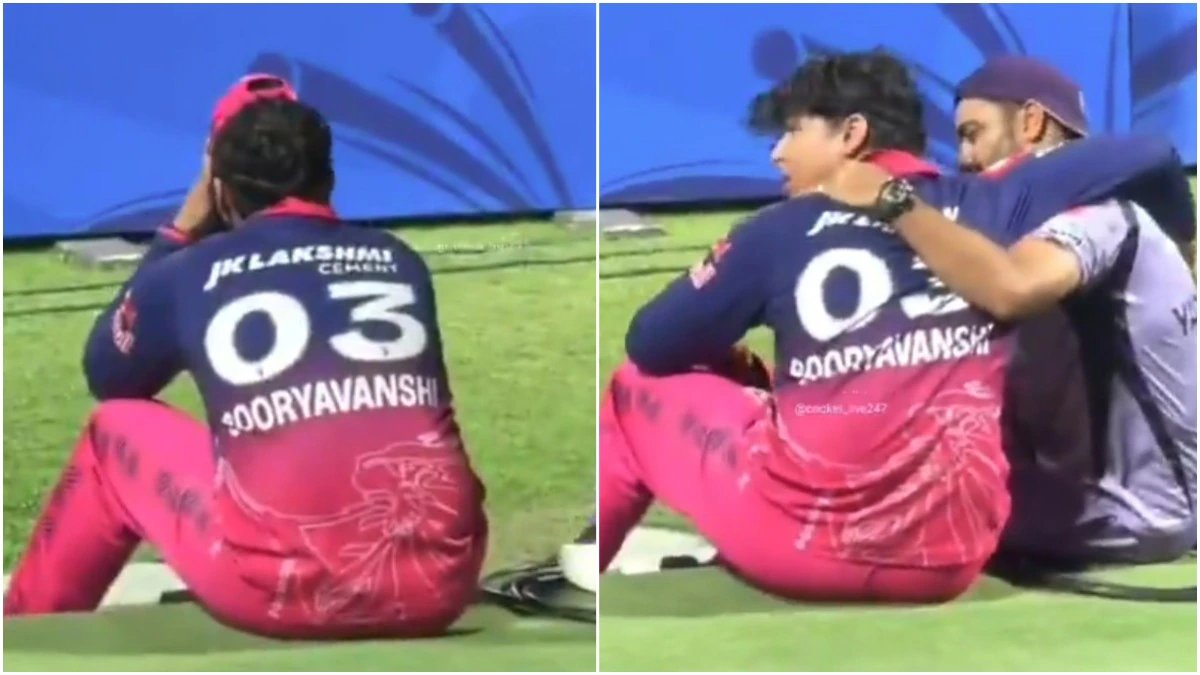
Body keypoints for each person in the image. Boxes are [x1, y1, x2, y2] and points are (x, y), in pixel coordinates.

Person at [596, 50, 1186, 603]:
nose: (777, 153)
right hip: (957, 555)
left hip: (809, 549)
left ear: (851, 135)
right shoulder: (995, 204)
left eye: (793, 131)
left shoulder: (778, 230)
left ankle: (583, 565)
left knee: (633, 386)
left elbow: (651, 344)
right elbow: (1153, 152)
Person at [3, 78, 489, 639]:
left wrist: (179, 233)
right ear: (328, 179)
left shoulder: (188, 272)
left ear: (220, 190)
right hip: (441, 586)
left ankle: (22, 638)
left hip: (280, 593)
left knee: (113, 430)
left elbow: (109, 374)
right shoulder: (400, 260)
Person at [819, 133, 1197, 567]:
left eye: (972, 134)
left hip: (1128, 514)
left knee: (855, 495)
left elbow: (1010, 291)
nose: (964, 160)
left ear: (1033, 125)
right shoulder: (1126, 230)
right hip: (1137, 496)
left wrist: (894, 203)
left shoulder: (1103, 223)